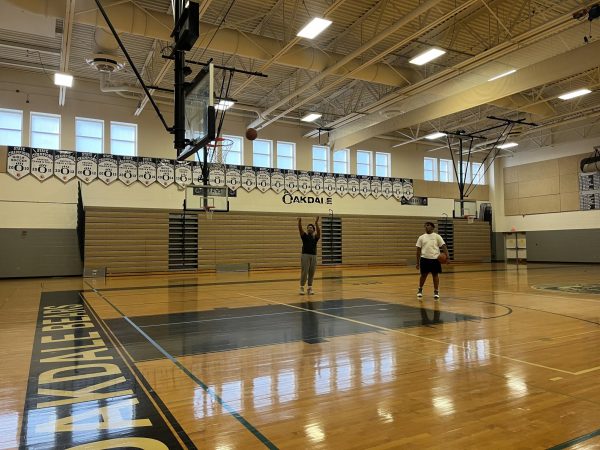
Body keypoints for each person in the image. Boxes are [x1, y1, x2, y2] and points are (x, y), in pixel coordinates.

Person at [415, 221, 449, 300]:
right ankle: (420, 289)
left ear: (433, 227)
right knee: (423, 275)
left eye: (428, 225)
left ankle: (436, 291)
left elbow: (444, 246)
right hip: (424, 259)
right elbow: (418, 251)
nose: (426, 227)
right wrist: (417, 262)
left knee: (435, 275)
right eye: (425, 225)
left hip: (435, 259)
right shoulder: (421, 237)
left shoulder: (437, 236)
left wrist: (448, 257)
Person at [298, 217, 320, 295]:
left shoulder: (315, 238)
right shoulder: (304, 236)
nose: (309, 229)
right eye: (308, 228)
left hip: (313, 256)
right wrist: (299, 222)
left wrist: (316, 223)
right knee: (304, 271)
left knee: (312, 272)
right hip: (305, 255)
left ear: (313, 230)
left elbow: (319, 232)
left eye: (311, 228)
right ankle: (301, 287)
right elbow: (300, 230)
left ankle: (310, 288)